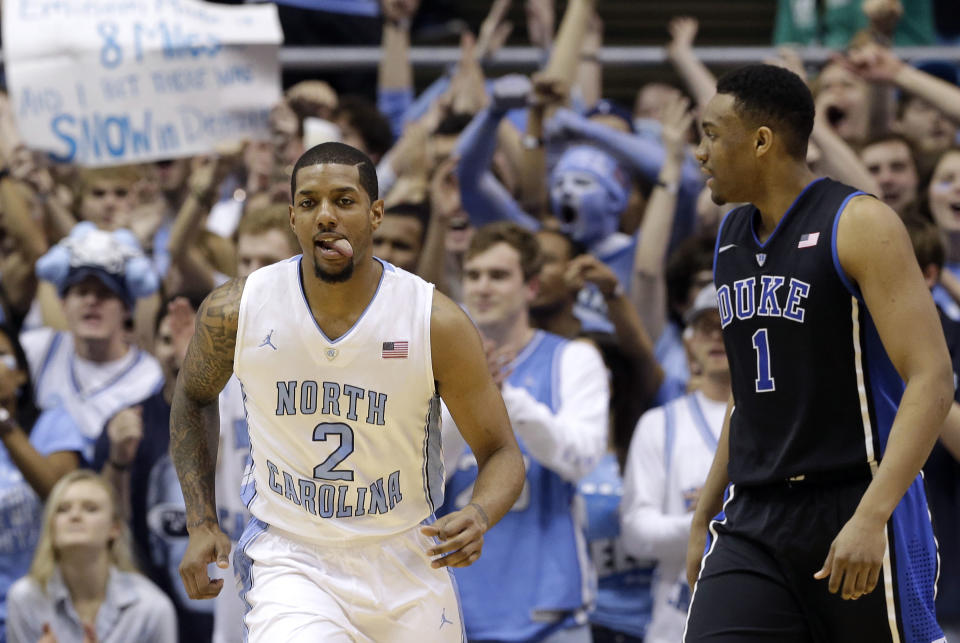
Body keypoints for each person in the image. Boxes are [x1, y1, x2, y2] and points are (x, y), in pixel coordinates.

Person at [171, 141, 525, 642]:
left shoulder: (433, 321)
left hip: (407, 553)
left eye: (344, 200)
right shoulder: (237, 308)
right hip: (293, 558)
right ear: (292, 217)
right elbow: (193, 397)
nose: (326, 216)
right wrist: (201, 519)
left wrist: (478, 513)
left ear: (375, 213)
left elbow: (502, 451)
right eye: (310, 203)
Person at [683, 64, 952, 642]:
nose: (700, 152)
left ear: (760, 141)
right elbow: (748, 397)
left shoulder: (858, 223)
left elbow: (930, 378)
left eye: (710, 133)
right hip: (754, 514)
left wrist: (873, 514)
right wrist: (706, 510)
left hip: (853, 498)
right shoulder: (730, 239)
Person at [438, 222, 609, 643]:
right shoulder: (432, 369)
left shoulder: (573, 359)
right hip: (451, 607)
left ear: (531, 288)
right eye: (473, 275)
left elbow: (582, 458)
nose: (482, 287)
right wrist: (471, 391)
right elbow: (420, 477)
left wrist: (505, 398)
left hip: (550, 610)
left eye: (498, 275)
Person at [620, 284, 730, 643]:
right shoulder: (660, 424)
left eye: (725, 324)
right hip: (676, 617)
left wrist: (714, 509)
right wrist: (708, 519)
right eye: (704, 326)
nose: (716, 336)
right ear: (689, 343)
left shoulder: (781, 418)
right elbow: (636, 532)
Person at [5, 470, 176, 643]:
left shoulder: (151, 607)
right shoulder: (24, 598)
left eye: (90, 508)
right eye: (62, 509)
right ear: (51, 526)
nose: (75, 516)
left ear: (115, 528)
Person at [0, 324, 85, 642]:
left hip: (45, 613)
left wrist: (4, 422)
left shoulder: (52, 423)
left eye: (1, 356)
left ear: (21, 374)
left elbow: (60, 493)